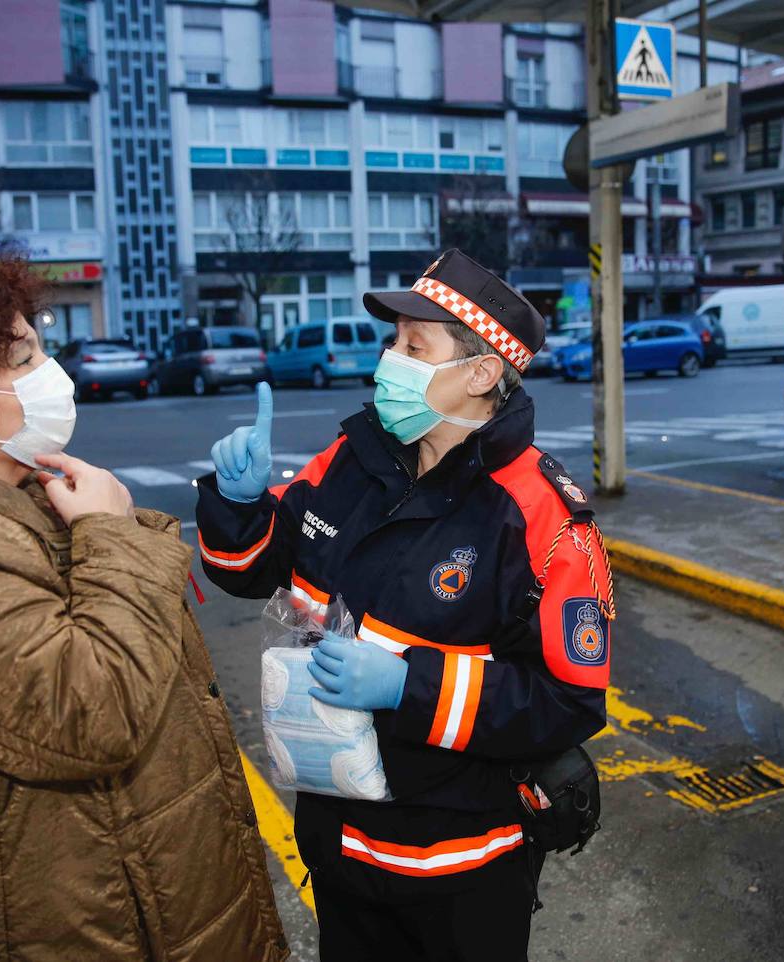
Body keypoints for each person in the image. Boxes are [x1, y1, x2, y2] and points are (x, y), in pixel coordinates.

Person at [0, 255, 287, 962]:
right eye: (22, 357)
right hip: (42, 922)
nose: (51, 370)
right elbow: (95, 712)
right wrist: (112, 535)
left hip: (92, 894)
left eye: (41, 346)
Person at [196, 248, 614, 961]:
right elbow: (254, 571)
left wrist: (406, 685)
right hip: (337, 846)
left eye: (414, 346)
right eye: (394, 341)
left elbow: (569, 702)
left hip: (462, 872)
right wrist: (237, 508)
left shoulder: (541, 517)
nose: (391, 357)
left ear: (481, 373)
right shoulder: (355, 459)